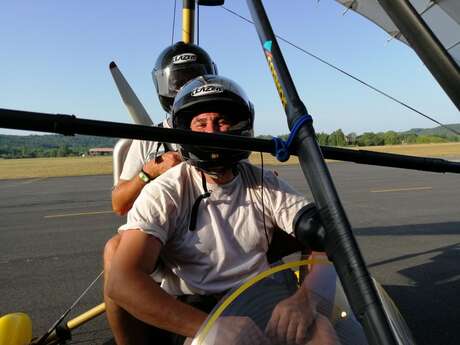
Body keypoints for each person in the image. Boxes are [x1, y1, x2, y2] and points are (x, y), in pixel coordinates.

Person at [105, 75, 339, 345]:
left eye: (221, 122)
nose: (211, 131)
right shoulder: (167, 190)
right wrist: (211, 326)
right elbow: (122, 280)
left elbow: (328, 237)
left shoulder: (264, 182)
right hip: (194, 305)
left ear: (240, 127)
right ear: (185, 130)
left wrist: (305, 300)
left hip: (260, 295)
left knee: (321, 333)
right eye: (201, 123)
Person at [111, 41, 218, 216]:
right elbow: (119, 204)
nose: (187, 90)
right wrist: (149, 172)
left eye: (194, 81)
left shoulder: (220, 133)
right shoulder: (148, 139)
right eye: (178, 83)